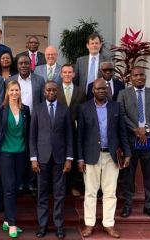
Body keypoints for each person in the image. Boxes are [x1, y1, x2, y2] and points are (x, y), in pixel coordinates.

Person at [77, 79, 131, 238]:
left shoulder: (116, 107)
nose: (102, 91)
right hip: (91, 156)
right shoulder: (84, 108)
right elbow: (80, 136)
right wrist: (80, 159)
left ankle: (108, 224)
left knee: (110, 192)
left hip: (111, 156)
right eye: (98, 88)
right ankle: (89, 224)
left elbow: (122, 132)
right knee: (90, 192)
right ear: (93, 90)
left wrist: (127, 153)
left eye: (104, 88)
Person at [117, 66, 150, 219]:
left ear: (145, 77)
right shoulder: (123, 94)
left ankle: (149, 205)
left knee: (149, 174)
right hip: (131, 141)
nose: (139, 77)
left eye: (141, 75)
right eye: (136, 75)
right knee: (128, 174)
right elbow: (121, 114)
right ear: (131, 78)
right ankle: (128, 204)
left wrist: (147, 129)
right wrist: (136, 130)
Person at [30, 80, 73, 239]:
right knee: (42, 193)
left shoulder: (64, 110)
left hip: (60, 159)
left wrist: (69, 158)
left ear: (58, 91)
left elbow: (70, 136)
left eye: (54, 90)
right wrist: (33, 158)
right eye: (48, 90)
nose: (51, 93)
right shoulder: (38, 109)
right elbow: (32, 135)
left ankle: (58, 225)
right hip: (42, 159)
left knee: (59, 194)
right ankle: (42, 226)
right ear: (44, 92)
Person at [0, 80, 30, 238]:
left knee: (15, 188)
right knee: (9, 188)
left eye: (17, 90)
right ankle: (13, 224)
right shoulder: (0, 109)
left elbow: (28, 133)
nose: (14, 93)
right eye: (12, 90)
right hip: (5, 153)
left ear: (20, 92)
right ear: (7, 92)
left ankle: (7, 219)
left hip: (21, 153)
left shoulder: (26, 110)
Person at [9, 54, 45, 195]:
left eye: (26, 63)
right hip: (16, 120)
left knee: (32, 151)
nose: (23, 65)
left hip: (33, 120)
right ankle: (20, 183)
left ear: (31, 65)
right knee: (19, 152)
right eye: (20, 63)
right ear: (17, 66)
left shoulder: (39, 80)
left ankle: (31, 182)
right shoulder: (11, 80)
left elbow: (42, 102)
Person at [56, 64, 86, 197]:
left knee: (73, 155)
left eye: (70, 72)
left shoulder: (80, 91)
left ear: (73, 74)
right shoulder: (55, 90)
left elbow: (83, 111)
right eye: (65, 72)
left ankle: (74, 185)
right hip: (58, 129)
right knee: (60, 157)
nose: (67, 74)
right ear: (61, 74)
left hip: (75, 129)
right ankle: (61, 186)